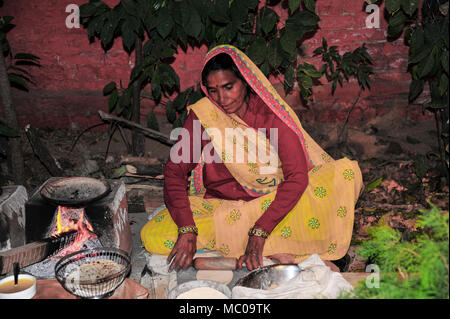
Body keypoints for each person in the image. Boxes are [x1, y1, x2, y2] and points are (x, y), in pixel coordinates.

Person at [140, 44, 363, 272]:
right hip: (221, 209)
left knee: (339, 179)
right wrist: (187, 229)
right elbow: (174, 171)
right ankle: (282, 253)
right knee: (153, 235)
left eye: (229, 87)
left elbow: (296, 177)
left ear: (245, 81)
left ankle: (245, 252)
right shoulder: (203, 115)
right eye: (213, 90)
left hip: (270, 205)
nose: (222, 99)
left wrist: (260, 231)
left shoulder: (269, 116)